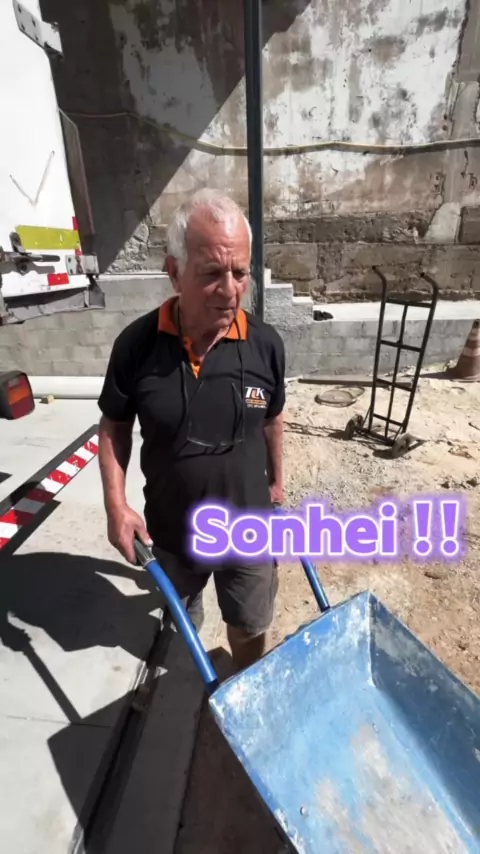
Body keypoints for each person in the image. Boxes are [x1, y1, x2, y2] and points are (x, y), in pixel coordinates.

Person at [97, 189, 286, 673]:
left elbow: (272, 418)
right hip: (173, 532)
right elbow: (114, 426)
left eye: (240, 272)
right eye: (211, 274)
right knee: (183, 617)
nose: (230, 290)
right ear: (174, 272)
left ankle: (240, 686)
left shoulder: (265, 345)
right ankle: (188, 659)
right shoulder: (136, 347)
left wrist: (277, 481)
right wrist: (117, 506)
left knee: (249, 626)